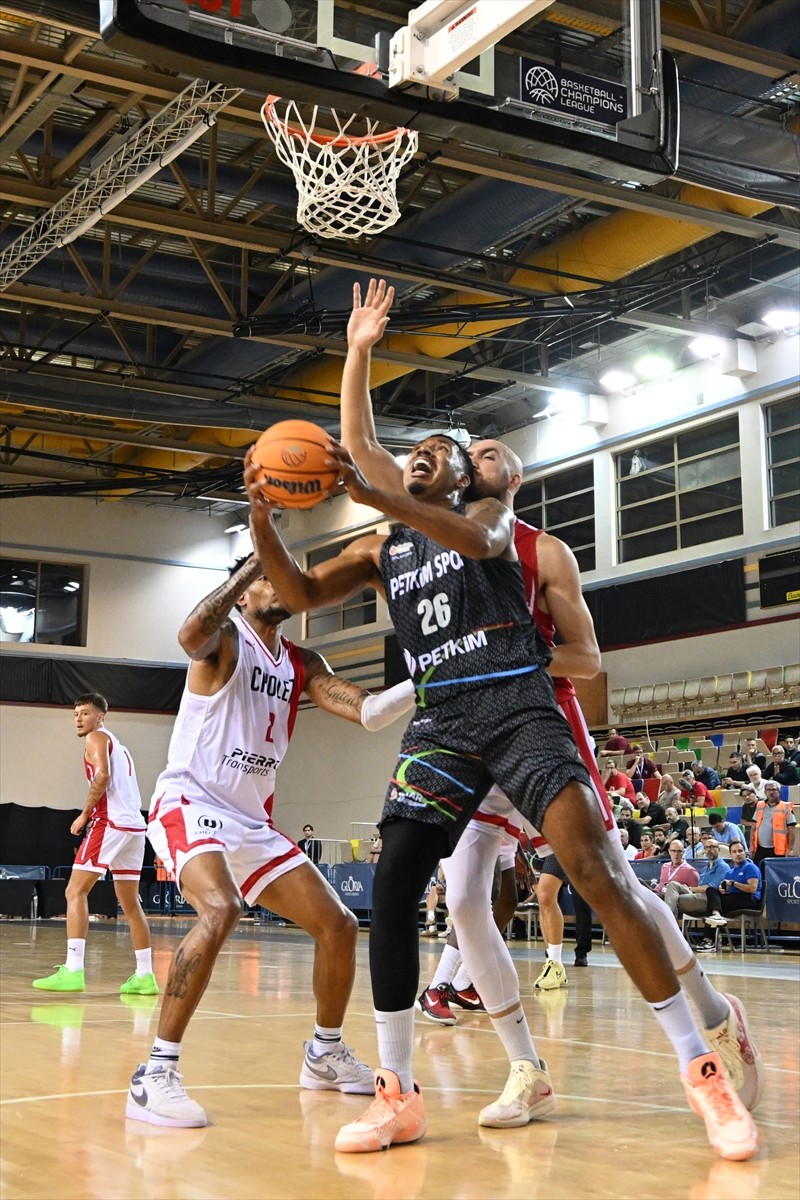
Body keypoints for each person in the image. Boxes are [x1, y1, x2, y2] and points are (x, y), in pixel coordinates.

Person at [245, 279, 761, 1161]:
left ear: (466, 476)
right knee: (403, 886)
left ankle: (699, 1069)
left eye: (442, 453)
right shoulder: (380, 549)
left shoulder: (486, 519)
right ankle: (399, 1093)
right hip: (443, 721)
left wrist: (381, 490)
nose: (421, 460)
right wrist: (264, 509)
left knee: (597, 871)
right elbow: (292, 589)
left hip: (520, 705)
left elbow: (480, 544)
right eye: (414, 455)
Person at [125, 556, 416, 1128]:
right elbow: (190, 634)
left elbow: (371, 713)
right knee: (222, 907)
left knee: (338, 925)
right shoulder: (226, 638)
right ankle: (155, 1073)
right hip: (192, 802)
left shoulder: (302, 662)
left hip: (251, 822)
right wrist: (252, 562)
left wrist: (426, 680)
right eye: (264, 579)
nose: (275, 584)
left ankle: (324, 1053)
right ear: (239, 594)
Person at [33, 693, 157, 997]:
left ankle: (73, 969)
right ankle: (146, 975)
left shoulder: (97, 738)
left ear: (100, 717)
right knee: (130, 902)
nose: (78, 718)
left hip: (110, 823)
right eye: (75, 713)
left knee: (75, 890)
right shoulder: (120, 745)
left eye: (85, 713)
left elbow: (102, 776)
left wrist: (85, 814)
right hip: (135, 828)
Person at [663, 842, 730, 920]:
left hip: (709, 899)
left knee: (673, 900)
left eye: (712, 847)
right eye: (706, 847)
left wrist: (690, 888)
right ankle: (669, 922)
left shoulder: (723, 867)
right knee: (673, 885)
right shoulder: (705, 868)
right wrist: (690, 889)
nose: (709, 850)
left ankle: (667, 921)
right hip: (696, 895)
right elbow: (699, 887)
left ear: (718, 849)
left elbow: (711, 887)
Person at [704, 842, 762, 927]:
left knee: (713, 905)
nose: (737, 854)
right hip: (733, 898)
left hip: (749, 899)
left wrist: (733, 883)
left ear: (745, 853)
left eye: (740, 851)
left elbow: (752, 889)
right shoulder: (729, 872)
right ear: (730, 855)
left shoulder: (750, 867)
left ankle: (715, 918)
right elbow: (727, 890)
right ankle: (716, 917)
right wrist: (722, 889)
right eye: (734, 852)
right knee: (711, 890)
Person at [750, 781, 797, 868]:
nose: (771, 792)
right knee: (760, 873)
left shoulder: (786, 806)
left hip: (778, 849)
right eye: (768, 790)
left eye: (774, 790)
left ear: (779, 792)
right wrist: (751, 846)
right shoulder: (760, 805)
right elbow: (753, 827)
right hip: (760, 848)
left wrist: (790, 849)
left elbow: (791, 829)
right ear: (765, 792)